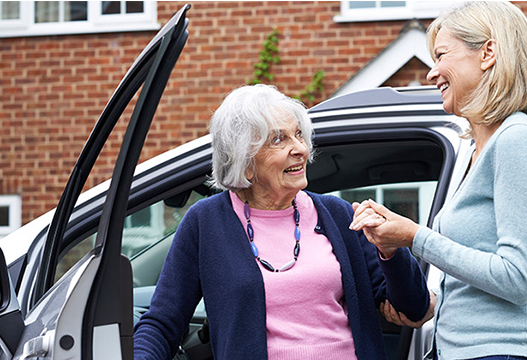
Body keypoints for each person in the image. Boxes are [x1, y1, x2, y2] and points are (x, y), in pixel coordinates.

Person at [133, 84, 431, 360]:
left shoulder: (339, 215)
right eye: (279, 139)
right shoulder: (205, 222)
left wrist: (391, 250)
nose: (300, 148)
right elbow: (163, 321)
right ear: (245, 160)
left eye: (299, 134)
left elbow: (413, 307)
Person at [350, 2, 527, 360]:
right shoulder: (478, 150)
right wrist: (439, 304)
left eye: (441, 55)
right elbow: (484, 271)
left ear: (488, 54)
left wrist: (415, 237)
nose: (432, 72)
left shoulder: (517, 140)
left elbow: (516, 278)